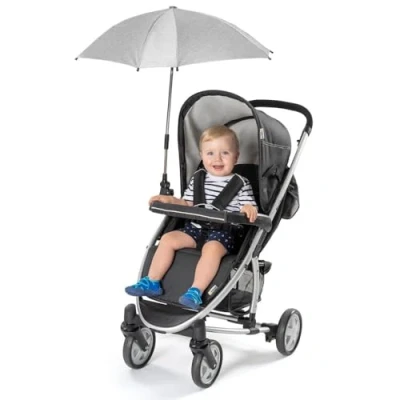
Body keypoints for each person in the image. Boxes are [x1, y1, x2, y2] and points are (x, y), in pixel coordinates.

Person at [125, 125, 258, 309]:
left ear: (236, 157)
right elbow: (186, 203)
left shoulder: (241, 183)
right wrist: (169, 200)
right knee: (168, 239)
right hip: (195, 229)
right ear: (201, 156)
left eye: (225, 153)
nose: (217, 159)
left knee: (211, 249)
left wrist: (248, 208)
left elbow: (248, 206)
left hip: (223, 234)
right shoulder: (198, 178)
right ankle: (152, 281)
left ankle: (195, 291)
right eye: (210, 153)